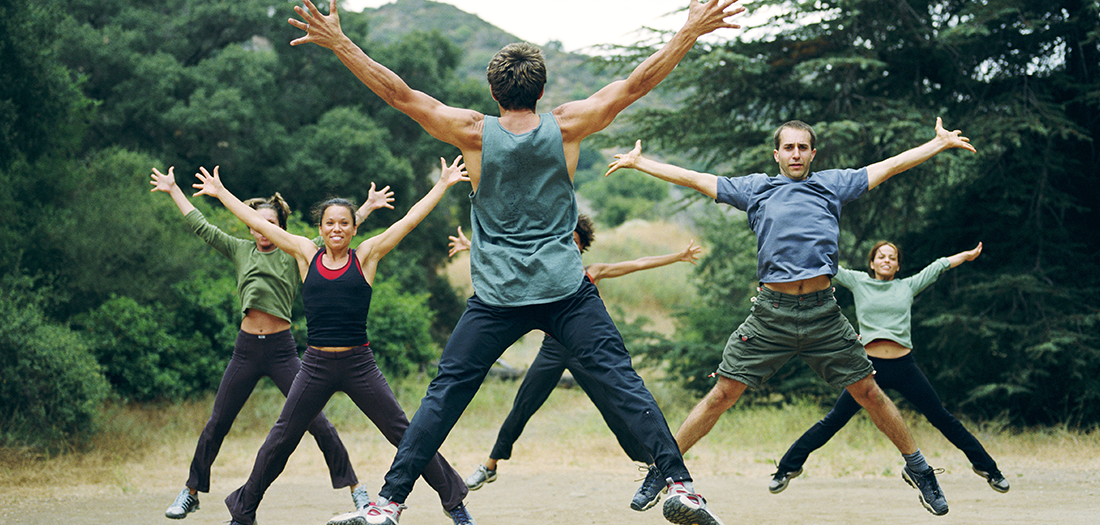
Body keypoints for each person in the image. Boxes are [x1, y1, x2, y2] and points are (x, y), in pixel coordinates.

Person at [288, 1, 746, 524]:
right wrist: (689, 28)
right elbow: (637, 84)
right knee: (621, 381)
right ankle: (682, 487)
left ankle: (388, 505)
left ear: (493, 92)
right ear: (542, 90)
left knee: (445, 394)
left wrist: (341, 43)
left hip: (497, 297)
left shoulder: (473, 132)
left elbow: (399, 94)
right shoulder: (568, 124)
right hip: (566, 290)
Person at [606, 117, 977, 517]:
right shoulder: (756, 189)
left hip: (823, 315)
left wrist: (936, 145)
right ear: (777, 153)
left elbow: (887, 167)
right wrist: (641, 163)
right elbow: (696, 178)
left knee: (869, 392)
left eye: (803, 148)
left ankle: (919, 469)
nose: (796, 154)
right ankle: (664, 469)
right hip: (771, 315)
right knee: (723, 394)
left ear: (813, 154)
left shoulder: (832, 184)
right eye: (789, 148)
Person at [188, 158, 474, 525]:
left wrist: (443, 183)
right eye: (329, 223)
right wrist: (221, 192)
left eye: (343, 223)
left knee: (407, 433)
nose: (336, 228)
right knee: (281, 439)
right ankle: (243, 513)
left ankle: (455, 505)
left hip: (359, 364)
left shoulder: (367, 255)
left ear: (354, 228)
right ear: (320, 229)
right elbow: (258, 222)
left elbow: (409, 221)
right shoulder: (305, 255)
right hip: (315, 367)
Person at [150, 167, 393, 520]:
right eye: (259, 223)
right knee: (218, 420)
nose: (266, 230)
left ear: (280, 228)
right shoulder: (238, 249)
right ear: (251, 226)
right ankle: (191, 491)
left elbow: (336, 233)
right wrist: (174, 190)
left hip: (282, 350)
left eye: (273, 224)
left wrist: (366, 209)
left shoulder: (294, 252)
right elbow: (200, 226)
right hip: (246, 349)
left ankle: (356, 490)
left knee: (318, 423)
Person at [448, 217, 702, 513]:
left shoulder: (591, 273)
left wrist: (678, 256)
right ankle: (490, 465)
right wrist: (471, 246)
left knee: (615, 410)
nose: (567, 244)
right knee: (522, 405)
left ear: (581, 247)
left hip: (585, 353)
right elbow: (507, 257)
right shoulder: (544, 271)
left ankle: (657, 468)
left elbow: (638, 263)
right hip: (552, 351)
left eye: (574, 241)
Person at [770, 241, 1010, 494]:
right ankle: (786, 468)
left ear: (897, 266)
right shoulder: (859, 281)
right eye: (881, 257)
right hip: (868, 369)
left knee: (941, 417)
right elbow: (825, 266)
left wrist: (967, 254)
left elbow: (939, 265)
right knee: (834, 420)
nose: (886, 260)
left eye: (892, 257)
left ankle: (989, 470)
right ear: (872, 263)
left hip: (904, 366)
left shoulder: (907, 285)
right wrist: (791, 245)